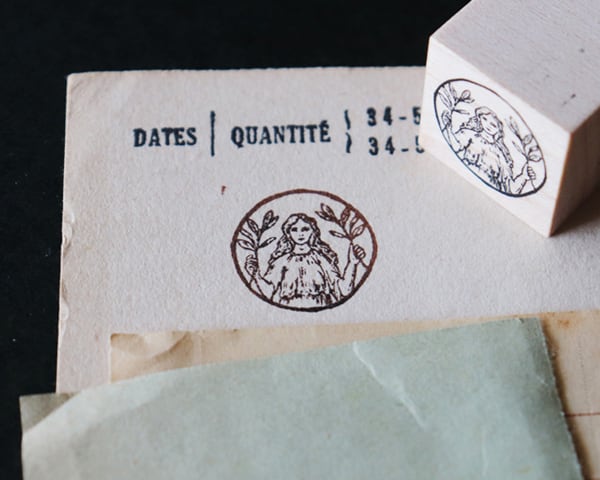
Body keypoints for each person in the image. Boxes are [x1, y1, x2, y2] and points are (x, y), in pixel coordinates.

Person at [244, 213, 365, 308]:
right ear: (288, 233)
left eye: (305, 229)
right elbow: (268, 291)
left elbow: (344, 289)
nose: (300, 234)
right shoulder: (282, 261)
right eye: (294, 229)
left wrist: (352, 263)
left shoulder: (321, 259)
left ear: (313, 232)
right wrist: (255, 274)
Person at [444, 106, 535, 195]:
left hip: (484, 193)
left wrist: (524, 176)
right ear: (479, 118)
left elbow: (510, 188)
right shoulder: (469, 134)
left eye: (493, 125)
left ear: (499, 129)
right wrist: (447, 126)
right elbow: (454, 146)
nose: (488, 125)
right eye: (485, 119)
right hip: (460, 179)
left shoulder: (500, 155)